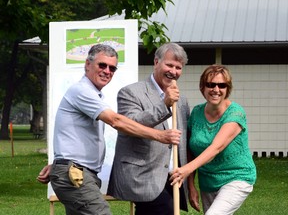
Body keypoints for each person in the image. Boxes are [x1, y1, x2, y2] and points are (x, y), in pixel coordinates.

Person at [37, 44, 182, 215]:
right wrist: (160, 135)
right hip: (74, 175)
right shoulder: (81, 91)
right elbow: (116, 121)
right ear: (87, 64)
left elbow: (73, 135)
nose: (107, 71)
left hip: (77, 173)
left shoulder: (93, 94)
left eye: (112, 68)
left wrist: (60, 163)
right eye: (102, 65)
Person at [107, 42, 190, 215]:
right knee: (163, 209)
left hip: (171, 178)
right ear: (156, 62)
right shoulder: (130, 92)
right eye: (169, 65)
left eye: (178, 67)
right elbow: (129, 124)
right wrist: (164, 104)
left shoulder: (181, 101)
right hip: (142, 175)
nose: (173, 71)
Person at [170, 64, 257, 215]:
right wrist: (191, 186)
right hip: (208, 181)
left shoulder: (235, 113)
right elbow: (191, 150)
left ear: (227, 89)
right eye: (210, 84)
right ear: (202, 87)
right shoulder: (197, 113)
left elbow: (215, 148)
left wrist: (185, 170)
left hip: (236, 177)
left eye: (221, 85)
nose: (216, 90)